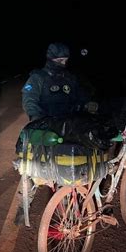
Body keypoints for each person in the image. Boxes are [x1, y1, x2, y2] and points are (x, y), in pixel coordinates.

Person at [16, 42, 97, 225]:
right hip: (43, 129)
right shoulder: (38, 77)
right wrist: (38, 119)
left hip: (67, 129)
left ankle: (66, 206)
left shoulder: (70, 78)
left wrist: (88, 104)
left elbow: (81, 98)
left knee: (67, 167)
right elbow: (29, 100)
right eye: (59, 60)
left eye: (65, 60)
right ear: (50, 59)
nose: (62, 63)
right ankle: (23, 208)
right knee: (32, 170)